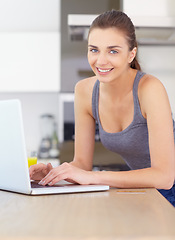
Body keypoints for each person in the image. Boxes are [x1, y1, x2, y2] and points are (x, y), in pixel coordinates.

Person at [30, 10, 175, 206]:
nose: (101, 61)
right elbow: (81, 164)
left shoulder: (149, 89)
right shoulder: (84, 91)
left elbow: (164, 177)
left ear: (131, 54)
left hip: (163, 185)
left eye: (113, 51)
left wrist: (96, 177)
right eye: (94, 49)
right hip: (152, 191)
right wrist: (54, 174)